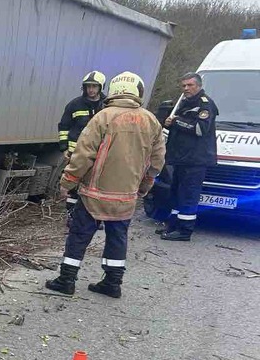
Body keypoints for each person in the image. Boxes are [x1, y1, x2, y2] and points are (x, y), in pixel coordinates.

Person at [45, 72, 165, 298]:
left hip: (95, 193)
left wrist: (67, 181)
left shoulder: (103, 117)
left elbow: (83, 154)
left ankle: (67, 280)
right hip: (126, 195)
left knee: (79, 235)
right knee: (118, 237)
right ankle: (112, 283)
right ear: (138, 92)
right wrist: (145, 184)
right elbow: (157, 159)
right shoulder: (151, 121)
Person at [157, 73, 219, 241]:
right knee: (176, 192)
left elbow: (200, 129)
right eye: (183, 85)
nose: (186, 89)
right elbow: (179, 128)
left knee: (188, 194)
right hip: (181, 158)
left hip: (196, 160)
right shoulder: (184, 103)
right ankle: (173, 224)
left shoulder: (205, 105)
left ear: (198, 86)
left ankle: (185, 230)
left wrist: (176, 121)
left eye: (190, 85)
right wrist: (168, 123)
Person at [57, 71, 107, 214]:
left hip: (99, 152)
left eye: (94, 86)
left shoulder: (107, 106)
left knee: (96, 184)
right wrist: (64, 148)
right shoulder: (74, 105)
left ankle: (93, 215)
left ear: (100, 87)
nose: (91, 89)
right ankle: (71, 214)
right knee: (73, 184)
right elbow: (64, 127)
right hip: (76, 153)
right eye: (88, 86)